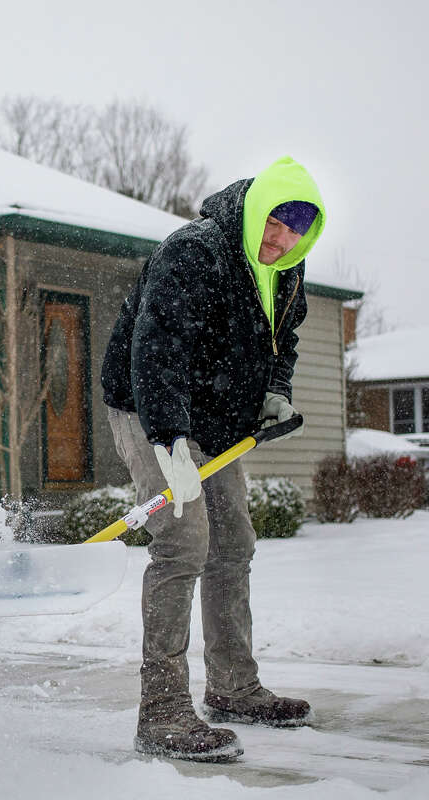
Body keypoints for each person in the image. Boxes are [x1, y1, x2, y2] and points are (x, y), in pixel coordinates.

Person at [100, 156, 326, 762]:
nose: (281, 241)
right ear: (255, 211)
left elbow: (287, 336)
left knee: (233, 545)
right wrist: (168, 438)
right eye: (274, 224)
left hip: (219, 422)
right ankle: (164, 712)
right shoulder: (196, 251)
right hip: (151, 407)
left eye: (296, 230)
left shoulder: (289, 268)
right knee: (182, 540)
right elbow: (159, 344)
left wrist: (276, 387)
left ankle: (233, 688)